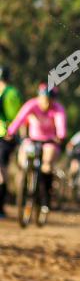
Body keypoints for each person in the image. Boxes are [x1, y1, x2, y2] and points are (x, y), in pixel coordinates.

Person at [8, 83, 67, 215]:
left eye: (48, 100)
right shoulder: (32, 104)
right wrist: (11, 131)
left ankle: (46, 198)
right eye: (43, 99)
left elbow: (60, 123)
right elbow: (19, 119)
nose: (45, 103)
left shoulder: (58, 109)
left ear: (53, 99)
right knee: (24, 154)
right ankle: (26, 177)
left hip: (49, 141)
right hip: (33, 139)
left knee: (47, 162)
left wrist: (61, 135)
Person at [0, 65, 22, 217]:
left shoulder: (10, 93)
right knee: (2, 172)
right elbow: (16, 117)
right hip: (6, 136)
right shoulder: (13, 93)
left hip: (4, 136)